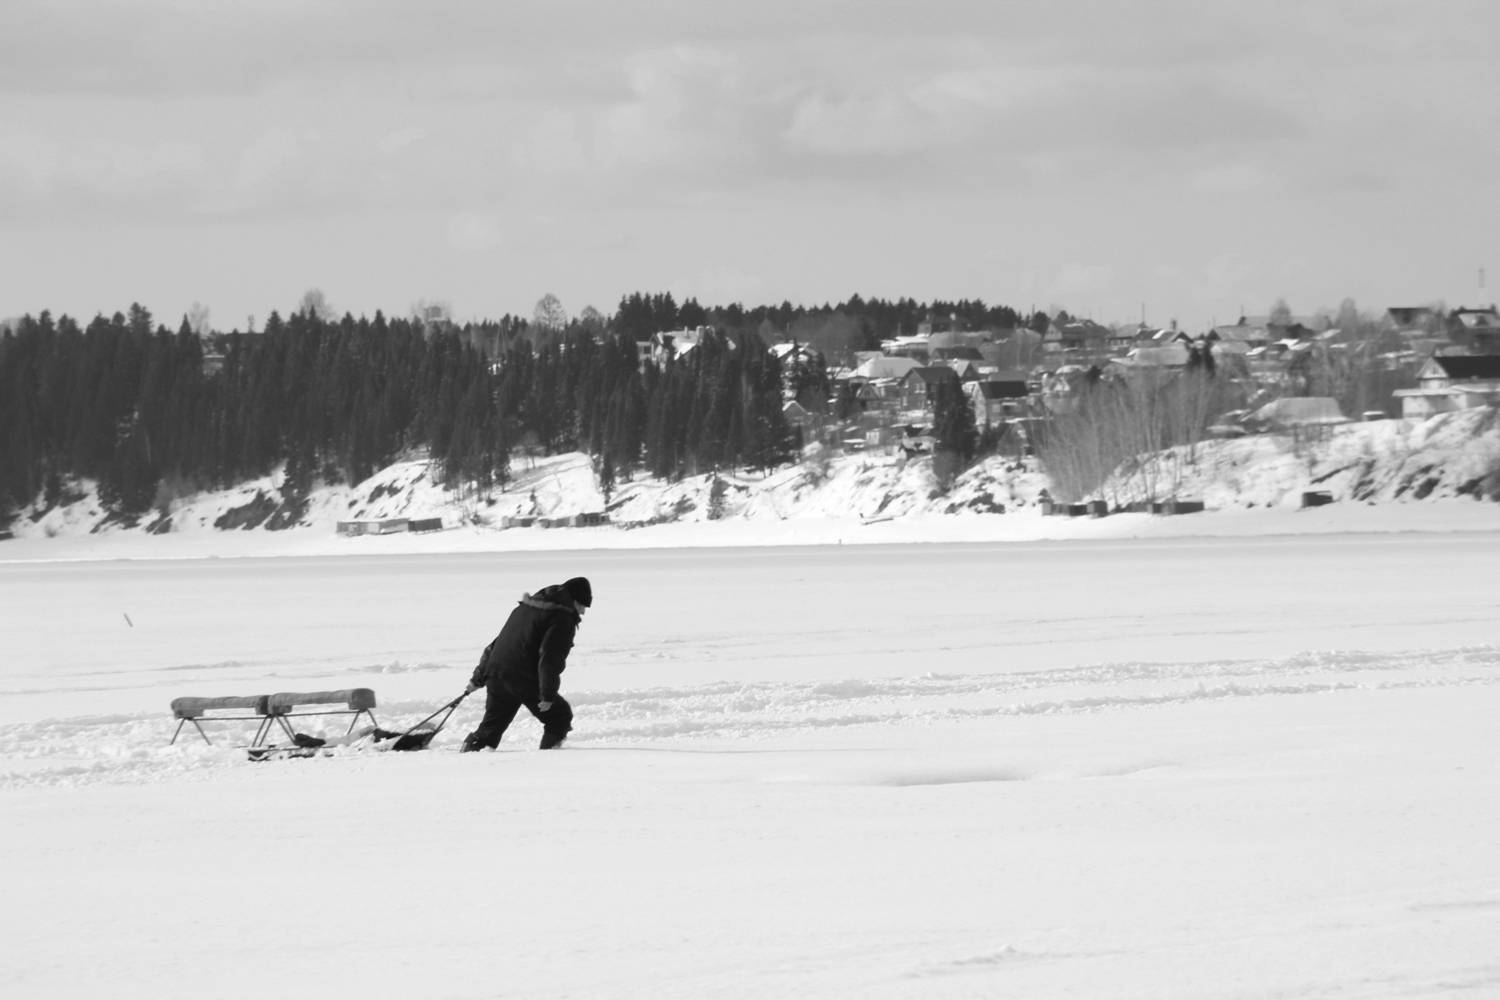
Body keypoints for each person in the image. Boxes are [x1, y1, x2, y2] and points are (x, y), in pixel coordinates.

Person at [460, 576, 592, 752]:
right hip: (522, 676)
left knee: (491, 728)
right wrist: (547, 695)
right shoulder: (561, 618)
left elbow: (496, 645)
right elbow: (550, 658)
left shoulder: (525, 608)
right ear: (573, 600)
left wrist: (478, 678)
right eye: (582, 605)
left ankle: (469, 753)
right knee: (559, 717)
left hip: (496, 672)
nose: (582, 612)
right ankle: (549, 759)